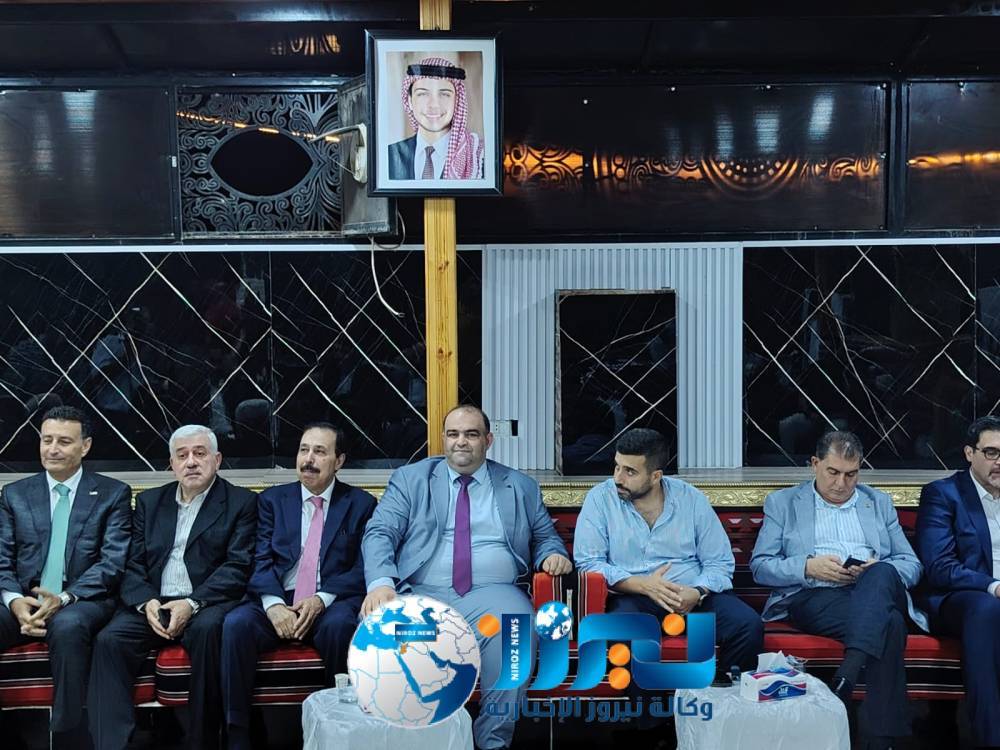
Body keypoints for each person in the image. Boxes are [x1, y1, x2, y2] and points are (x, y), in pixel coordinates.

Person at [361, 404, 571, 750]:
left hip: (493, 595)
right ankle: (418, 742)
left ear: (488, 440)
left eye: (471, 434)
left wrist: (552, 554)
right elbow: (380, 532)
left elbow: (544, 535)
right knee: (387, 635)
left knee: (516, 632)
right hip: (421, 593)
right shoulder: (411, 479)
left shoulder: (519, 486)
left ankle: (493, 741)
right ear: (443, 439)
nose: (461, 442)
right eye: (453, 434)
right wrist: (382, 583)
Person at [574, 428, 763, 723]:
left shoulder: (691, 499)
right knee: (626, 630)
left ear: (656, 476)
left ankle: (720, 717)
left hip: (689, 595)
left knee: (747, 626)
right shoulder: (600, 499)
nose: (618, 478)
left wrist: (698, 592)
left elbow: (719, 563)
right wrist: (643, 585)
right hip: (634, 594)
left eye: (630, 471)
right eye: (617, 466)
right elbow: (588, 563)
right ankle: (650, 728)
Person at [751, 431, 925, 750]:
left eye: (851, 474)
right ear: (814, 464)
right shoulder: (784, 503)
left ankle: (848, 673)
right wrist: (807, 567)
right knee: (889, 624)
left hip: (874, 591)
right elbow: (761, 566)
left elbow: (911, 565)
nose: (841, 484)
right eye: (833, 472)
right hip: (816, 597)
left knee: (882, 573)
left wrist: (874, 570)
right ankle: (880, 741)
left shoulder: (878, 503)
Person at [88, 425, 258, 750]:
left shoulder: (241, 503)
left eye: (200, 453)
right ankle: (111, 744)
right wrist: (147, 602)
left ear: (217, 460)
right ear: (172, 464)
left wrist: (191, 604)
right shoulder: (150, 502)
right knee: (110, 641)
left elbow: (237, 566)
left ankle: (203, 741)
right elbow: (131, 563)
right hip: (154, 603)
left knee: (209, 632)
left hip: (206, 603)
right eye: (182, 455)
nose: (191, 461)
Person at [221, 422, 376, 750]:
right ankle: (238, 735)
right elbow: (258, 558)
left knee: (341, 627)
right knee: (236, 625)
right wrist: (273, 604)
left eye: (320, 452)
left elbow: (362, 567)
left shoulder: (360, 504)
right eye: (304, 450)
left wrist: (321, 599)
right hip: (278, 595)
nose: (308, 459)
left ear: (339, 460)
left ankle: (340, 730)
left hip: (330, 599)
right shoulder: (271, 501)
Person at [0, 406, 131, 747]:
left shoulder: (113, 493)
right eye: (47, 440)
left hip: (82, 599)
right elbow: (2, 558)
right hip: (25, 599)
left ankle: (66, 736)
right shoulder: (15, 494)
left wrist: (63, 598)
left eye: (64, 441)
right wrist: (14, 602)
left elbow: (112, 563)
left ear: (85, 446)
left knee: (68, 626)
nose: (53, 449)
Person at [915, 415, 1000, 748]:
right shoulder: (944, 494)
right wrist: (993, 586)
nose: (999, 462)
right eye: (991, 452)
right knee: (988, 609)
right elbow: (940, 567)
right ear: (969, 453)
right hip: (960, 598)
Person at [387, 56, 485, 180]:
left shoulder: (479, 158)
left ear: (457, 101)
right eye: (423, 94)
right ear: (410, 101)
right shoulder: (390, 156)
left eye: (444, 94)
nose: (434, 105)